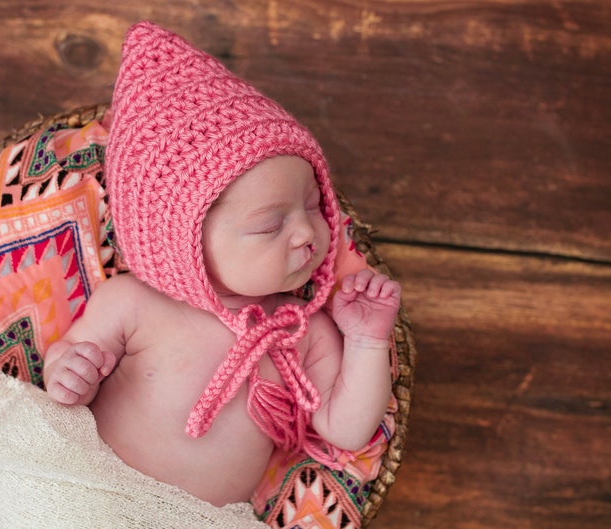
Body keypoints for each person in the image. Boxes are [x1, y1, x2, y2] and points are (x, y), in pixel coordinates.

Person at [43, 21, 401, 508]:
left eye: (316, 205)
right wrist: (69, 372)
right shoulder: (133, 304)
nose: (307, 234)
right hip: (87, 496)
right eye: (269, 226)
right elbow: (68, 366)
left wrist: (366, 340)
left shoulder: (301, 332)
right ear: (180, 240)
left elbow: (347, 428)